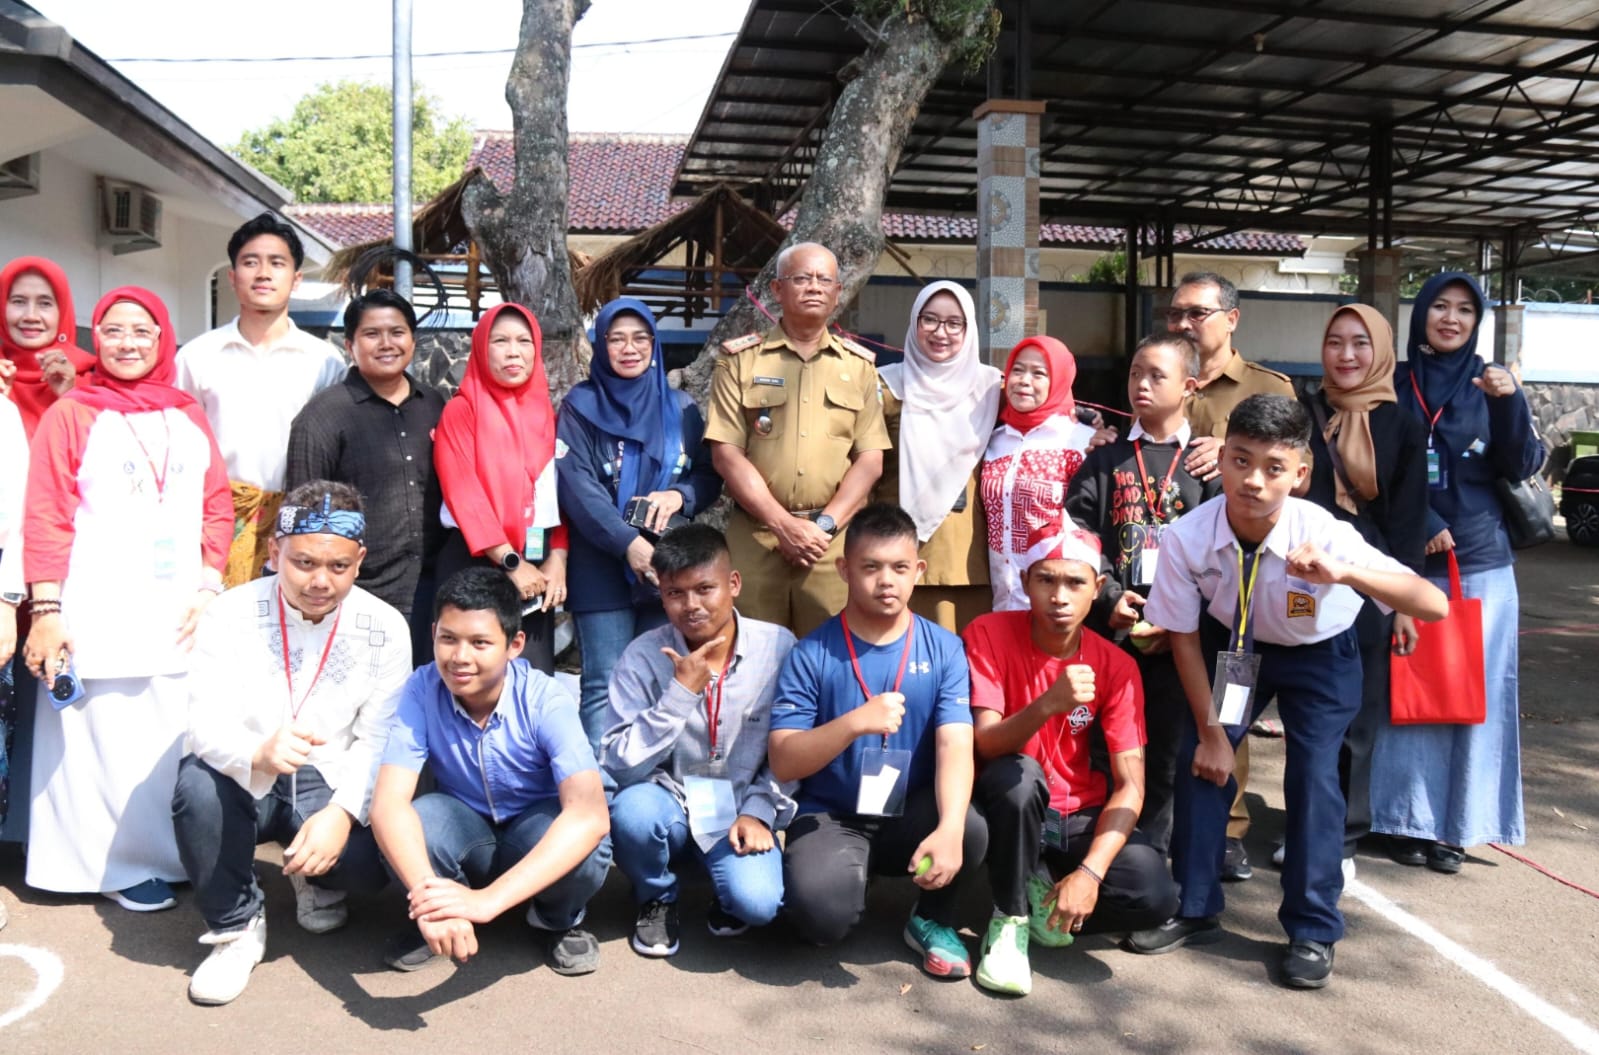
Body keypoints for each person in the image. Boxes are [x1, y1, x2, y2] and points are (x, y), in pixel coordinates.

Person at [1127, 395, 1447, 989]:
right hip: (1235, 647)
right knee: (1204, 764)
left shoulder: (1325, 532)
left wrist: (1345, 573)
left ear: (1300, 474)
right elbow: (1184, 639)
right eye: (1241, 461)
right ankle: (1195, 908)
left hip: (1318, 657)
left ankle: (1312, 928)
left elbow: (1434, 603)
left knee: (1314, 777)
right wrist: (1212, 734)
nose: (1253, 481)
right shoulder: (1188, 536)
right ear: (1220, 459)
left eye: (1274, 467)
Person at [21, 286, 233, 910]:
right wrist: (47, 610)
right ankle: (107, 866)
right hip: (95, 605)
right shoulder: (74, 412)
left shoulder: (186, 411)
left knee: (165, 736)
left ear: (163, 337)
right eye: (112, 331)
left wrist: (208, 582)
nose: (127, 343)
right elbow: (46, 515)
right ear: (95, 338)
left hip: (177, 608)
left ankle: (170, 856)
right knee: (97, 741)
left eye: (142, 331)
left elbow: (215, 505)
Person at [171, 481, 410, 1005]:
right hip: (247, 775)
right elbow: (201, 722)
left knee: (370, 865)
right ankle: (236, 927)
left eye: (339, 567)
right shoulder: (229, 613)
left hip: (327, 781)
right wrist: (256, 752)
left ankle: (316, 876)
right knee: (196, 788)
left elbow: (379, 740)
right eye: (303, 563)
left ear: (361, 559)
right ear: (275, 550)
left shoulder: (386, 628)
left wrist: (344, 814)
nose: (320, 581)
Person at [1370, 273, 1546, 873]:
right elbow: (1376, 464)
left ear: (1478, 321)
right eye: (1440, 306)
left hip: (1482, 562)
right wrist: (1420, 517)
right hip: (1408, 560)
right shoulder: (1392, 382)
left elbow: (1518, 461)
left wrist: (1510, 398)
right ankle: (1404, 821)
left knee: (1476, 696)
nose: (1451, 318)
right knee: (1411, 692)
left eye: (1465, 310)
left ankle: (1458, 827)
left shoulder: (1490, 382)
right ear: (1420, 315)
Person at [769, 503, 988, 979]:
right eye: (870, 567)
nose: (886, 580)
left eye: (899, 567)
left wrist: (949, 829)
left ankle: (930, 918)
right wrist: (854, 723)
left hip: (909, 809)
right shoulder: (811, 653)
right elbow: (784, 761)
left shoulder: (944, 648)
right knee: (821, 922)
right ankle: (845, 880)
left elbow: (955, 745)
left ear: (919, 571)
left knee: (968, 826)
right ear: (845, 570)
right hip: (833, 814)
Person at [965, 527, 1179, 995]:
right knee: (1020, 777)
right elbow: (985, 744)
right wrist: (1047, 703)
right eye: (1046, 580)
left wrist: (1090, 874)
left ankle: (1046, 891)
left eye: (1075, 583)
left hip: (1074, 813)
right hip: (1007, 801)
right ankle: (1010, 918)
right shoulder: (988, 632)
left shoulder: (1116, 665)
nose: (1059, 596)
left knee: (1155, 893)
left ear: (1098, 589)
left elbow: (1131, 785)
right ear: (1025, 582)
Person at [369, 567, 611, 975]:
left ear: (514, 644)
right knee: (418, 818)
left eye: (480, 642)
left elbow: (590, 815)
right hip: (469, 832)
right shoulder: (421, 687)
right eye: (448, 639)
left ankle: (555, 919)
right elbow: (388, 805)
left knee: (588, 848)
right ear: (433, 635)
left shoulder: (545, 697)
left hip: (531, 833)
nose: (460, 657)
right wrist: (429, 904)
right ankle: (443, 913)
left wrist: (488, 903)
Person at [601, 524, 794, 957]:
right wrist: (680, 694)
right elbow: (618, 763)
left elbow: (793, 750)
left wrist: (761, 811)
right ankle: (657, 894)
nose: (691, 606)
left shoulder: (778, 648)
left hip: (739, 809)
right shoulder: (643, 656)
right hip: (670, 802)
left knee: (759, 904)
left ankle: (726, 891)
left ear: (734, 584)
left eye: (705, 589)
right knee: (632, 813)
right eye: (674, 593)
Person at [1165, 271, 1296, 881]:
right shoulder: (1160, 371)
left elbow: (1293, 465)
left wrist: (1225, 452)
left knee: (1230, 703)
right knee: (1172, 707)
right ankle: (1171, 822)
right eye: (1176, 314)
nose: (1184, 324)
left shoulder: (1268, 387)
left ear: (1232, 318)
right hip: (1167, 566)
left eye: (1197, 313)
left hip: (1240, 581)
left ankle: (1230, 827)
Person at [1066, 333, 1218, 854]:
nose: (1142, 385)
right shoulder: (1106, 459)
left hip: (1184, 640)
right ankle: (1095, 854)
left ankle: (1150, 863)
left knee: (1169, 750)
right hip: (1113, 634)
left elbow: (1224, 550)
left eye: (1157, 375)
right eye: (1135, 374)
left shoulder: (1206, 466)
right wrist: (1107, 596)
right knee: (1105, 747)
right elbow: (1078, 536)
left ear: (1190, 386)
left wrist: (1181, 614)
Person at [558, 297, 721, 752]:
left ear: (655, 343)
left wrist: (679, 495)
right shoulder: (580, 406)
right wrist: (628, 542)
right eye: (616, 338)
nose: (629, 348)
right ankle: (600, 800)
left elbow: (709, 476)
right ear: (601, 345)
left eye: (640, 338)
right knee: (603, 683)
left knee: (665, 675)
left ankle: (652, 788)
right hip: (601, 562)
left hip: (668, 568)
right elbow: (577, 487)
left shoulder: (682, 409)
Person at [1296, 306, 1427, 870]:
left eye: (1359, 344)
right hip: (1302, 575)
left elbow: (1409, 518)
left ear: (1380, 351)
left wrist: (1402, 603)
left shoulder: (1401, 423)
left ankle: (1343, 839)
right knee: (1307, 710)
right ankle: (1305, 825)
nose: (1346, 356)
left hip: (1370, 580)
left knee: (1357, 718)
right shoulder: (1305, 411)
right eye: (1334, 342)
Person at [706, 242, 891, 637]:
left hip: (833, 543)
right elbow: (726, 455)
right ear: (776, 289)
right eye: (802, 278)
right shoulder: (742, 360)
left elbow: (870, 459)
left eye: (825, 280)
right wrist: (782, 523)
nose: (814, 287)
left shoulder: (859, 367)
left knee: (833, 659)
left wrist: (822, 527)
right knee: (749, 655)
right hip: (757, 537)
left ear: (838, 293)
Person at [177, 213, 345, 587]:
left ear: (296, 280)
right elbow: (178, 448)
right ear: (233, 278)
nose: (263, 273)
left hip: (297, 525)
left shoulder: (325, 362)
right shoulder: (197, 356)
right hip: (212, 527)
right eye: (251, 262)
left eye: (277, 263)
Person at [285, 290, 446, 628]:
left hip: (433, 590)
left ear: (413, 341)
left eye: (397, 333)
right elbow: (304, 516)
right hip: (359, 595)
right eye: (372, 334)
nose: (386, 343)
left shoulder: (435, 406)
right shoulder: (323, 417)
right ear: (349, 345)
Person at [431, 304, 567, 673]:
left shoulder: (546, 415)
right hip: (476, 562)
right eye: (500, 341)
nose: (513, 351)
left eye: (524, 341)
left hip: (533, 569)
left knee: (531, 679)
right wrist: (510, 561)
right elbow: (464, 493)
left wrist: (558, 557)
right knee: (471, 675)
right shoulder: (462, 410)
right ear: (480, 348)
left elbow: (555, 496)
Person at [874, 281, 1000, 633]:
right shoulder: (885, 387)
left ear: (968, 328)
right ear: (914, 324)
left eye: (953, 323)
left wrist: (1085, 428)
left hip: (968, 558)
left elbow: (1038, 421)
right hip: (896, 552)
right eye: (929, 320)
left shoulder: (992, 389)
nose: (940, 332)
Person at [981, 335, 1098, 612]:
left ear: (1058, 380)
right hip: (997, 598)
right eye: (1018, 370)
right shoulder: (992, 439)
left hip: (1054, 605)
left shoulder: (1083, 442)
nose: (1024, 380)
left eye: (1039, 374)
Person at [1, 256, 95, 436]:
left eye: (45, 303)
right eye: (18, 301)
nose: (30, 316)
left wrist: (72, 396)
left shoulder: (95, 381)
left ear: (63, 311)